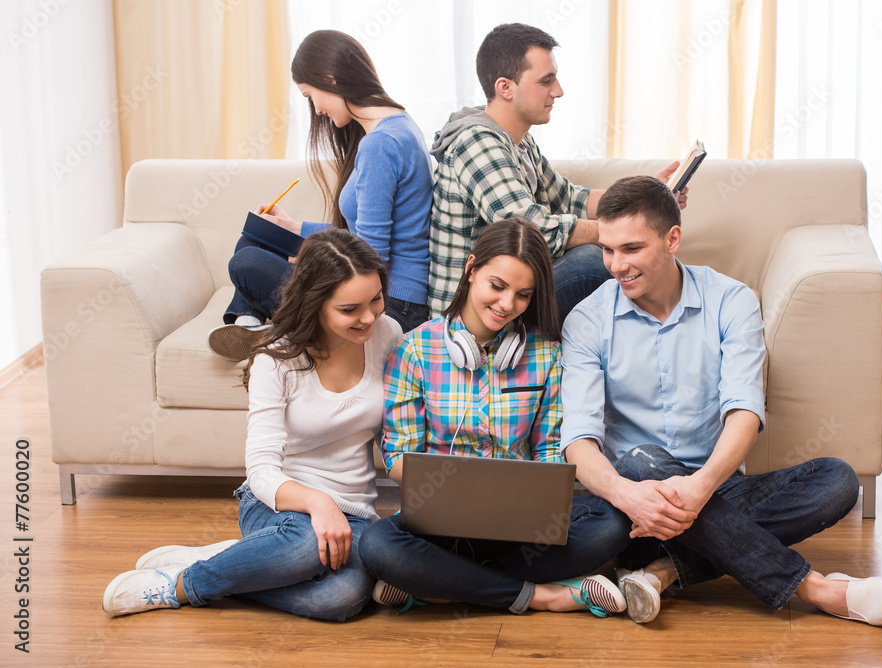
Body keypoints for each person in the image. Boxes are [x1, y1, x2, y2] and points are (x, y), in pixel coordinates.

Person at [559, 175, 882, 626]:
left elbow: (744, 412)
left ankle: (664, 571)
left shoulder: (731, 301)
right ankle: (816, 588)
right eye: (608, 250)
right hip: (636, 508)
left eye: (631, 248)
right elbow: (578, 441)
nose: (616, 265)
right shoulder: (587, 320)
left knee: (838, 480)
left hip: (714, 489)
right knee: (643, 460)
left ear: (672, 239)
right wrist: (626, 493)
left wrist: (700, 488)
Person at [103, 229, 403, 620]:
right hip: (278, 503)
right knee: (305, 545)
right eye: (350, 309)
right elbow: (261, 471)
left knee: (340, 599)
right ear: (315, 304)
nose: (369, 317)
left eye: (375, 299)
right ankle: (182, 585)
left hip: (354, 512)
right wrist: (318, 502)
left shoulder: (387, 335)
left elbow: (396, 431)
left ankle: (241, 561)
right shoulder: (276, 360)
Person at [358, 218, 633, 617]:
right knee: (377, 545)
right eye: (497, 286)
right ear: (471, 269)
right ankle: (542, 595)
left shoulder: (546, 354)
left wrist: (537, 497)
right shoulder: (414, 349)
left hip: (520, 528)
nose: (507, 304)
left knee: (612, 524)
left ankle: (438, 585)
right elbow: (398, 456)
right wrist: (458, 489)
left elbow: (550, 451)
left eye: (523, 295)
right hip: (439, 527)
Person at [428, 23, 689, 322]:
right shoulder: (477, 143)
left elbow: (570, 198)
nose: (558, 91)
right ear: (505, 87)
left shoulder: (519, 140)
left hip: (513, 291)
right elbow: (533, 230)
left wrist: (648, 197)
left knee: (629, 253)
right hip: (475, 311)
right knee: (594, 261)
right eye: (546, 81)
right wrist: (619, 231)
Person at [210, 29, 432, 361]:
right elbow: (358, 235)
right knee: (254, 238)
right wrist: (294, 228)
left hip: (391, 306)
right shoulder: (397, 125)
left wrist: (308, 263)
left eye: (310, 96)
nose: (315, 110)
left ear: (330, 79)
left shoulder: (380, 144)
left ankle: (256, 322)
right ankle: (250, 323)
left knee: (246, 262)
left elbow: (371, 258)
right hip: (386, 292)